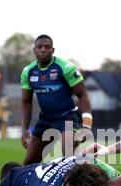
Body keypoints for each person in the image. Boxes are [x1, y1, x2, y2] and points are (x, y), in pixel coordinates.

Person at [21, 34, 93, 164]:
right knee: (29, 162)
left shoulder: (65, 68)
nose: (43, 49)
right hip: (45, 119)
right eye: (40, 47)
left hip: (67, 117)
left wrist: (86, 125)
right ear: (34, 50)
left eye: (47, 47)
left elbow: (83, 95)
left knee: (69, 157)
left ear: (53, 50)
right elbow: (26, 102)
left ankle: (78, 182)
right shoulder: (28, 71)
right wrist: (25, 129)